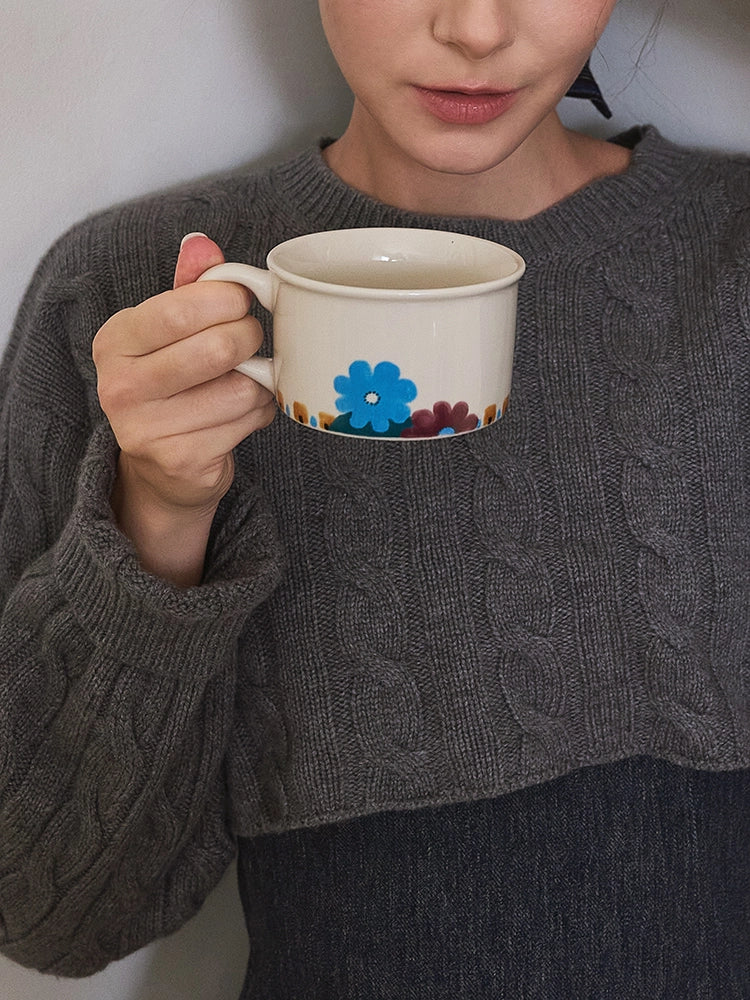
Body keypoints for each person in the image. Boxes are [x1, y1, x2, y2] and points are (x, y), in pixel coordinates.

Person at [1, 0, 748, 996]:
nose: (476, 28)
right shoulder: (137, 304)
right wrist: (161, 511)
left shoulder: (731, 257)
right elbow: (50, 913)